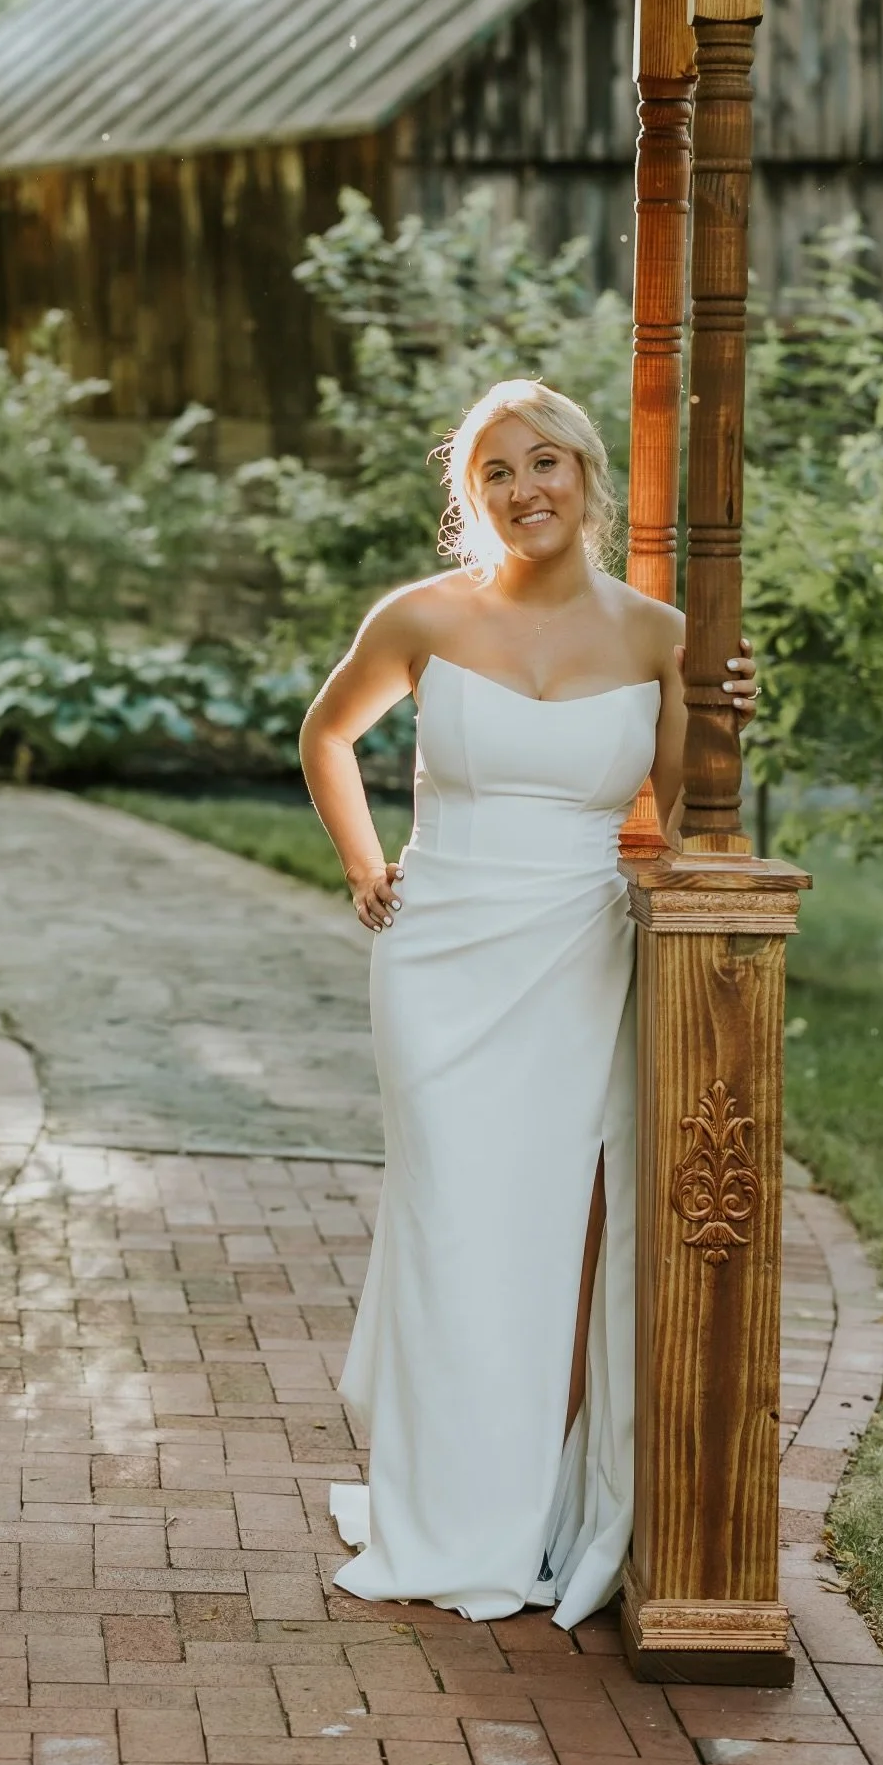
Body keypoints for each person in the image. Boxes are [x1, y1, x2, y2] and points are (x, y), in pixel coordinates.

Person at [298, 377, 756, 1626]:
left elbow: (687, 812)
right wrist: (365, 866)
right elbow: (325, 737)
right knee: (452, 1223)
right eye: (497, 472)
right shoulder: (423, 617)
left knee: (551, 1233)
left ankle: (537, 1505)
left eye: (544, 463)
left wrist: (725, 728)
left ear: (588, 477)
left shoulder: (660, 636)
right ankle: (445, 1513)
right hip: (440, 956)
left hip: (575, 956)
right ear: (471, 496)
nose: (523, 491)